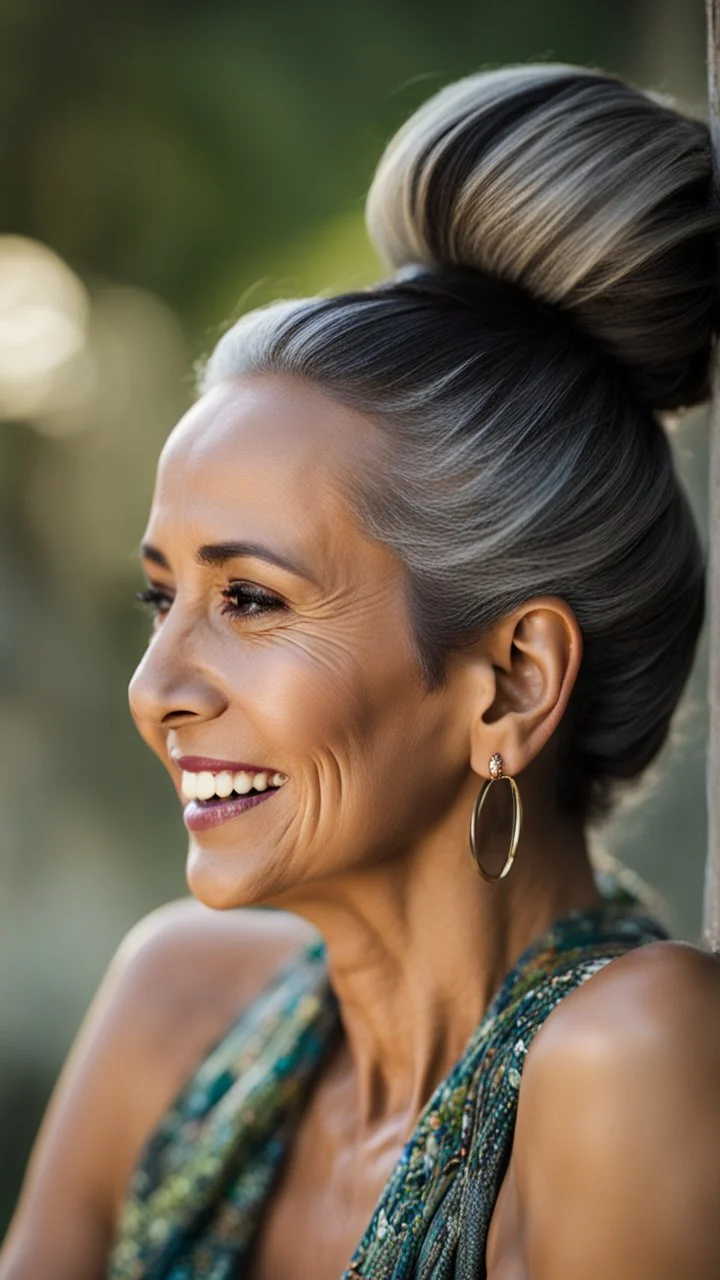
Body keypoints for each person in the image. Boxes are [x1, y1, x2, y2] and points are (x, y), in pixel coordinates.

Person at [3, 61, 720, 1280]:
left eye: (249, 599)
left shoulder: (638, 1055)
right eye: (159, 597)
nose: (156, 684)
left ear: (511, 681)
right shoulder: (174, 1008)